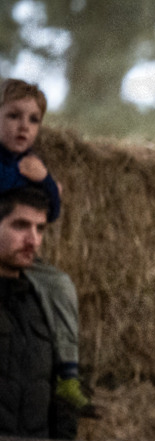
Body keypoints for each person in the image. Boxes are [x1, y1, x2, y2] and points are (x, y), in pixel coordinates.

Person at [0, 78, 93, 416]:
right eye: (13, 116)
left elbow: (50, 210)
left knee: (59, 285)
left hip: (12, 254)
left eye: (33, 119)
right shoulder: (15, 167)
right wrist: (25, 178)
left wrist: (46, 183)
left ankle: (68, 373)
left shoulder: (33, 163)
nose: (23, 126)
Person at [0, 187, 76, 438]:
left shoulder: (44, 302)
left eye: (40, 229)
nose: (33, 240)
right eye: (20, 226)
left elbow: (59, 394)